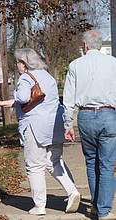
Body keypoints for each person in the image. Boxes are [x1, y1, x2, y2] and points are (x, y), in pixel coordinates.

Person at [0, 48, 80, 215]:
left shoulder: (25, 78)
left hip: (35, 126)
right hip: (54, 125)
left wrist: (15, 91)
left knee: (34, 166)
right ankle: (72, 191)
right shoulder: (47, 76)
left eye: (17, 62)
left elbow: (22, 99)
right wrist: (1, 103)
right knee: (54, 162)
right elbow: (29, 100)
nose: (16, 65)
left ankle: (39, 205)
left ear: (24, 63)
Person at [63, 29, 116, 220]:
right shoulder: (113, 64)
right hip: (108, 114)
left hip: (85, 116)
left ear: (85, 46)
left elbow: (68, 99)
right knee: (107, 164)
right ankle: (103, 210)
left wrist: (68, 124)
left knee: (92, 162)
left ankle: (95, 205)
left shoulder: (75, 65)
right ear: (99, 45)